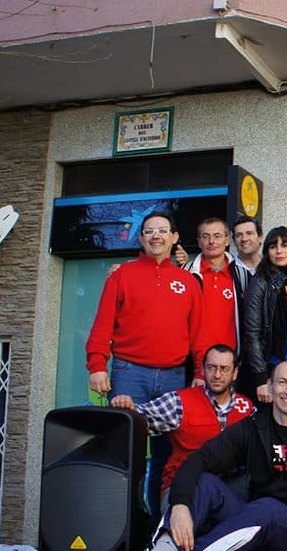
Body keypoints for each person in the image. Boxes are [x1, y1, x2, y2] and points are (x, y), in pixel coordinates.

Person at [106, 360, 287, 551]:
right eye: (282, 382)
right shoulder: (253, 427)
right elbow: (199, 460)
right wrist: (179, 504)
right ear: (270, 386)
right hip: (255, 530)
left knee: (268, 507)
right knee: (206, 482)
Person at [85, 211, 205, 515]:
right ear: (141, 238)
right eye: (149, 231)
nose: (156, 236)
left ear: (175, 238)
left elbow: (198, 333)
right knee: (124, 450)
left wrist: (201, 372)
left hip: (174, 378)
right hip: (129, 374)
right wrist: (97, 364)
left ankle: (156, 523)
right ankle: (118, 525)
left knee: (168, 455)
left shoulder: (188, 282)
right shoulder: (122, 275)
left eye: (163, 230)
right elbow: (102, 324)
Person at [110, 344, 256, 509]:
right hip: (181, 487)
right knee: (179, 528)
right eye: (211, 367)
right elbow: (141, 418)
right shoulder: (179, 402)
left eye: (224, 369)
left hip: (229, 488)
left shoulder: (247, 409)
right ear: (202, 369)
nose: (217, 375)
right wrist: (127, 406)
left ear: (235, 373)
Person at [243, 227, 287, 401]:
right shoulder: (260, 283)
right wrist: (261, 378)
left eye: (284, 245)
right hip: (271, 367)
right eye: (273, 246)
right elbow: (253, 333)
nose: (279, 251)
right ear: (267, 251)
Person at [186, 218, 249, 354]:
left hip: (232, 360)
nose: (211, 242)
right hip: (194, 358)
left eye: (217, 236)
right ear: (199, 242)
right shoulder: (186, 274)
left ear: (227, 240)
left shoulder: (242, 275)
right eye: (205, 236)